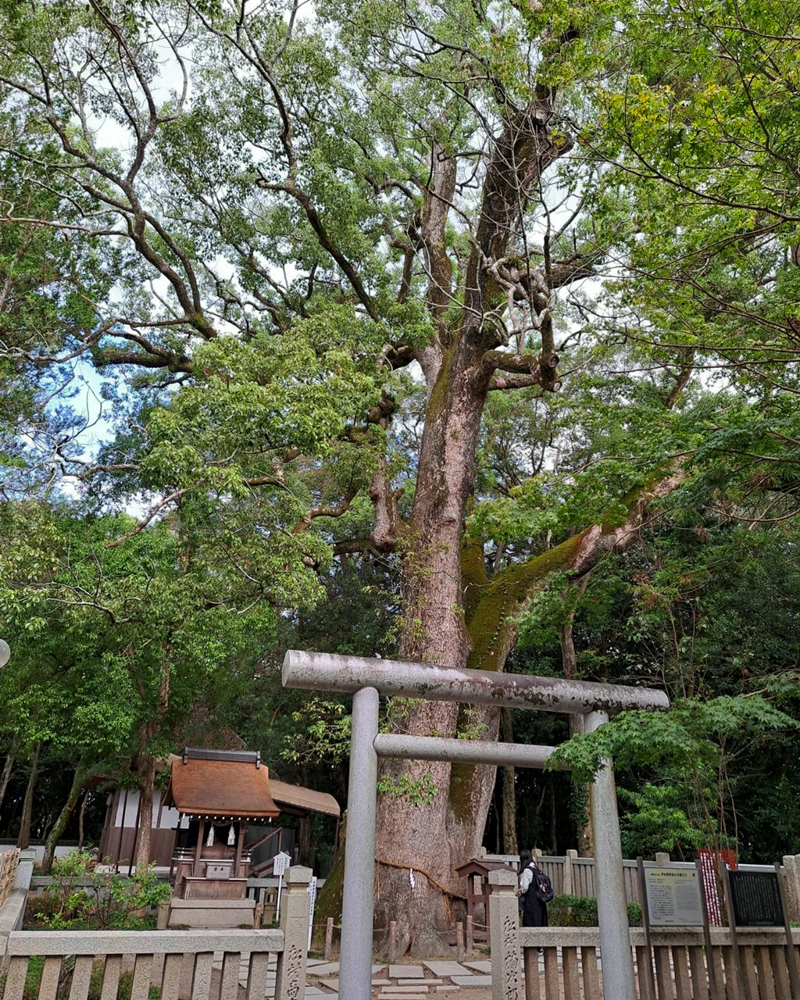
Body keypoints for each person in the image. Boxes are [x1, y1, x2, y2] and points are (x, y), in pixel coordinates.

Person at [517, 849, 550, 929]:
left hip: (531, 902)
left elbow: (525, 888)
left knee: (531, 924)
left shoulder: (527, 871)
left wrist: (519, 891)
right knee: (540, 923)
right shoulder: (537, 869)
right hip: (540, 901)